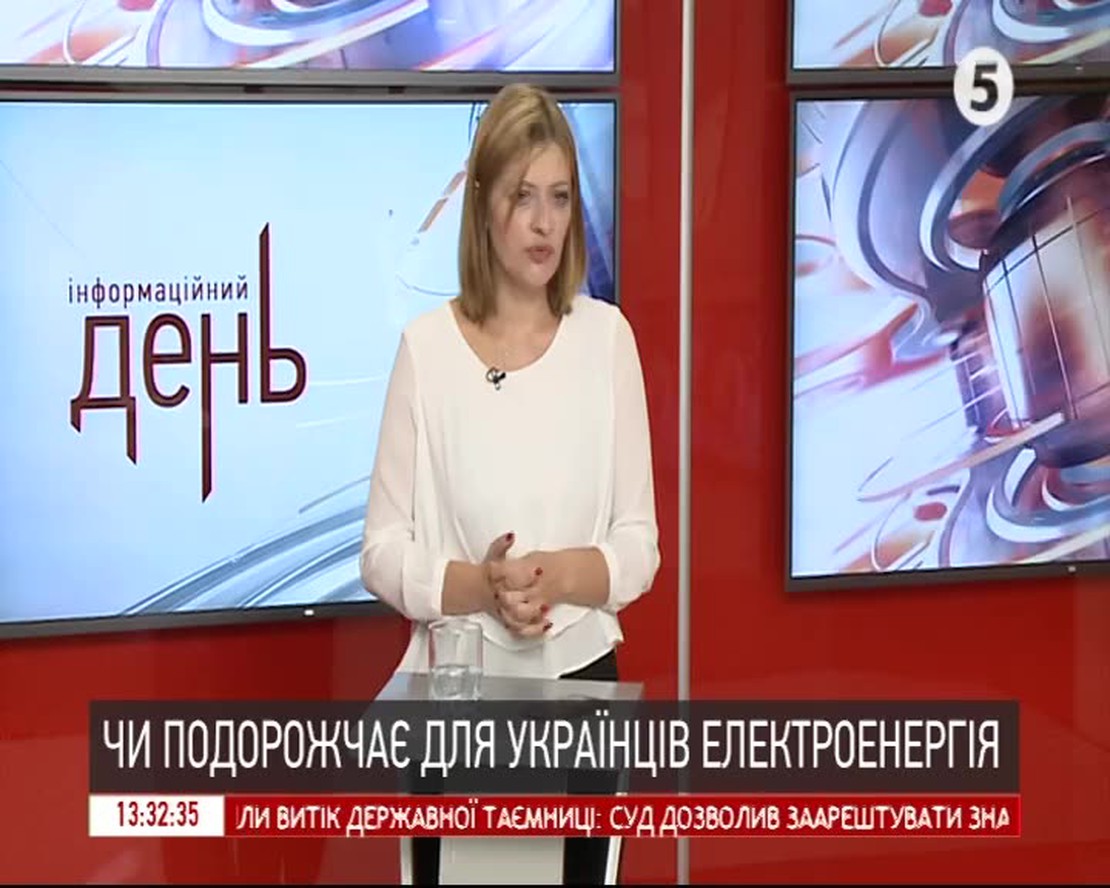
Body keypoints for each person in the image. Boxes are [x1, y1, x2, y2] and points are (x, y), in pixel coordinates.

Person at [359, 82, 660, 886]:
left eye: (559, 197)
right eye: (523, 196)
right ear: (482, 204)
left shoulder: (607, 339)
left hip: (582, 691)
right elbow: (381, 552)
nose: (544, 222)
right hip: (458, 694)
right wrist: (480, 588)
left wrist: (553, 577)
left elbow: (639, 547)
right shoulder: (426, 350)